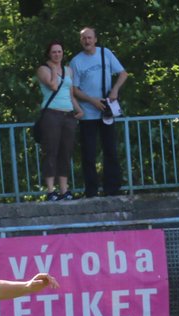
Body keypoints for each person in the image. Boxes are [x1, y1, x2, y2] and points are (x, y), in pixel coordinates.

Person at [69, 27, 128, 198]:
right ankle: (91, 191)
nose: (87, 41)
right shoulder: (76, 61)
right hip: (88, 113)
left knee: (110, 150)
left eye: (89, 38)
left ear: (95, 39)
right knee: (88, 153)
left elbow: (123, 74)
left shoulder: (106, 53)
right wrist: (92, 101)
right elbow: (74, 89)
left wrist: (115, 90)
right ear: (81, 41)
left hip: (106, 112)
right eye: (83, 38)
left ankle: (112, 189)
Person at [35, 41, 83, 201]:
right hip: (51, 114)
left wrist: (78, 109)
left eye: (59, 51)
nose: (57, 54)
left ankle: (64, 190)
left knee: (66, 151)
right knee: (51, 151)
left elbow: (70, 93)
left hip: (68, 115)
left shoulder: (68, 70)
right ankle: (50, 190)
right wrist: (54, 70)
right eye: (54, 52)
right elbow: (53, 86)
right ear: (49, 53)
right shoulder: (43, 69)